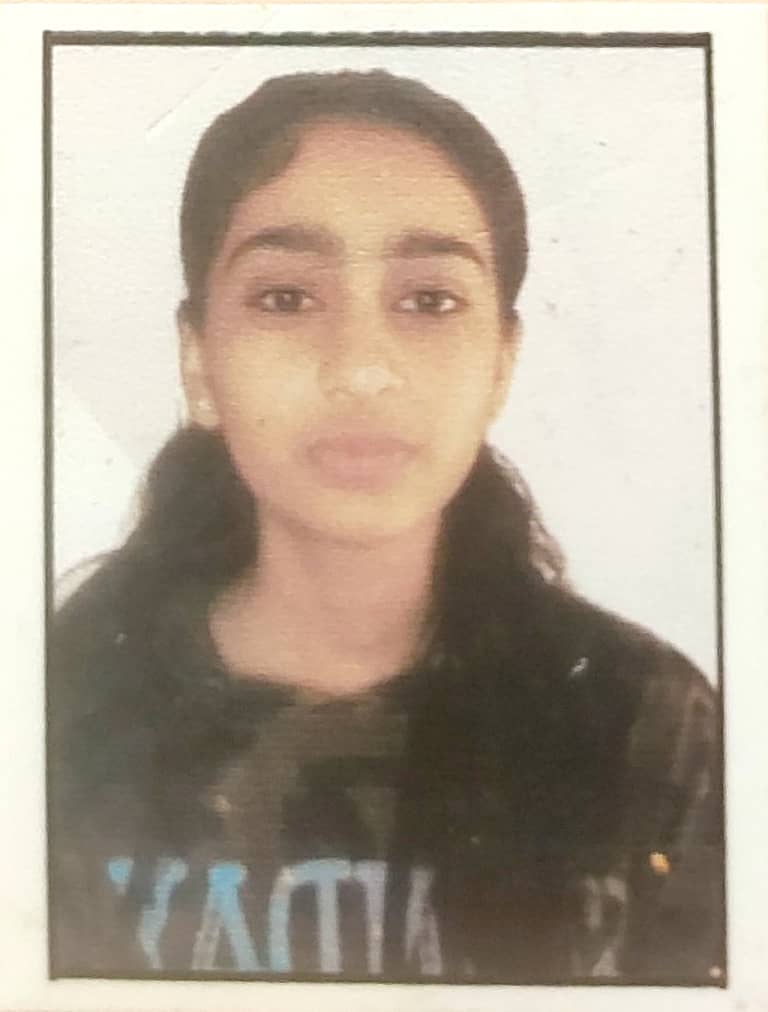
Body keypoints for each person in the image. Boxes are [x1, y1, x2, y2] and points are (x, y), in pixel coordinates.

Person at [49, 68, 722, 984]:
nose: (361, 369)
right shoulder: (56, 709)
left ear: (500, 364)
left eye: (429, 301)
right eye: (286, 299)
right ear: (198, 361)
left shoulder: (648, 727)